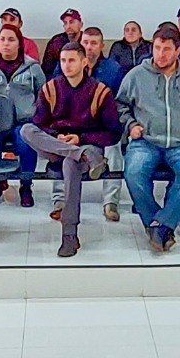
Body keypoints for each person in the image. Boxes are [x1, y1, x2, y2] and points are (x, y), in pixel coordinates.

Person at [117, 23, 180, 252]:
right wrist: (131, 125)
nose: (160, 54)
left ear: (178, 51)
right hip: (146, 141)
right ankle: (159, 224)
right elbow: (120, 106)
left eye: (166, 49)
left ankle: (160, 226)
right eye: (157, 47)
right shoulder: (136, 76)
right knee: (133, 172)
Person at [21, 43, 122, 257]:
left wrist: (80, 138)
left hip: (90, 146)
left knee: (71, 164)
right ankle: (76, 153)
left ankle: (69, 235)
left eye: (72, 60)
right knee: (26, 130)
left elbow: (113, 133)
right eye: (63, 60)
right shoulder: (50, 88)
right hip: (58, 145)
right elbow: (38, 124)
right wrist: (57, 136)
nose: (66, 65)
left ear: (84, 62)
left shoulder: (100, 91)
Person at [52, 27, 125, 223]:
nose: (89, 47)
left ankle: (111, 203)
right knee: (60, 143)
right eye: (85, 43)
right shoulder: (65, 66)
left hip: (101, 127)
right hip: (70, 125)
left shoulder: (113, 69)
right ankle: (60, 201)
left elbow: (119, 102)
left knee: (115, 146)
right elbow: (54, 99)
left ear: (102, 46)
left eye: (94, 43)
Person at [0, 23, 46, 208]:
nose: (6, 43)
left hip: (23, 120)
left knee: (25, 142)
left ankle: (26, 185)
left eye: (11, 40)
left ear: (19, 44)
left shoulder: (32, 68)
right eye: (2, 39)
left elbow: (43, 96)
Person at [42, 8, 83, 77]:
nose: (68, 26)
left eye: (72, 22)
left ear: (81, 24)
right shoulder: (56, 41)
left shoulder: (87, 41)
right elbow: (47, 69)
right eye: (65, 23)